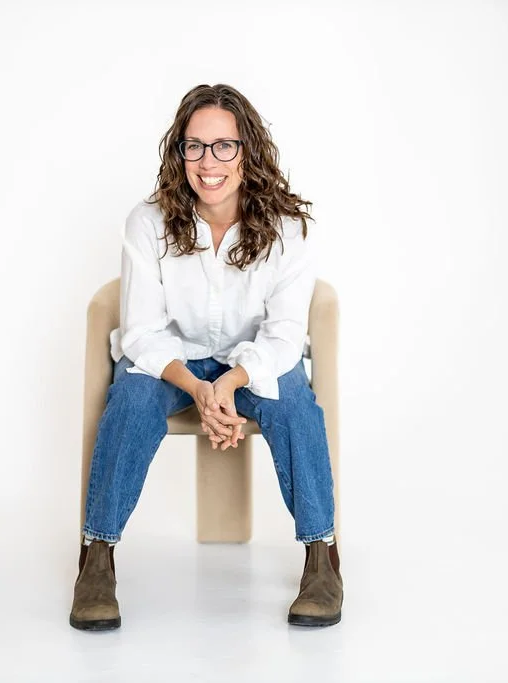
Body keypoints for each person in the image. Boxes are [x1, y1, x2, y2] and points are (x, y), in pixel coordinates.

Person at [68, 84, 341, 631]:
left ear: (248, 151)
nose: (207, 162)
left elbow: (286, 335)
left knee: (294, 405)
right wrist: (199, 388)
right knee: (132, 398)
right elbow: (143, 331)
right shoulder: (147, 222)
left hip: (253, 359)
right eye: (193, 147)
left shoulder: (288, 228)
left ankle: (322, 559)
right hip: (172, 360)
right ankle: (96, 559)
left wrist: (234, 380)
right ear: (179, 154)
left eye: (223, 146)